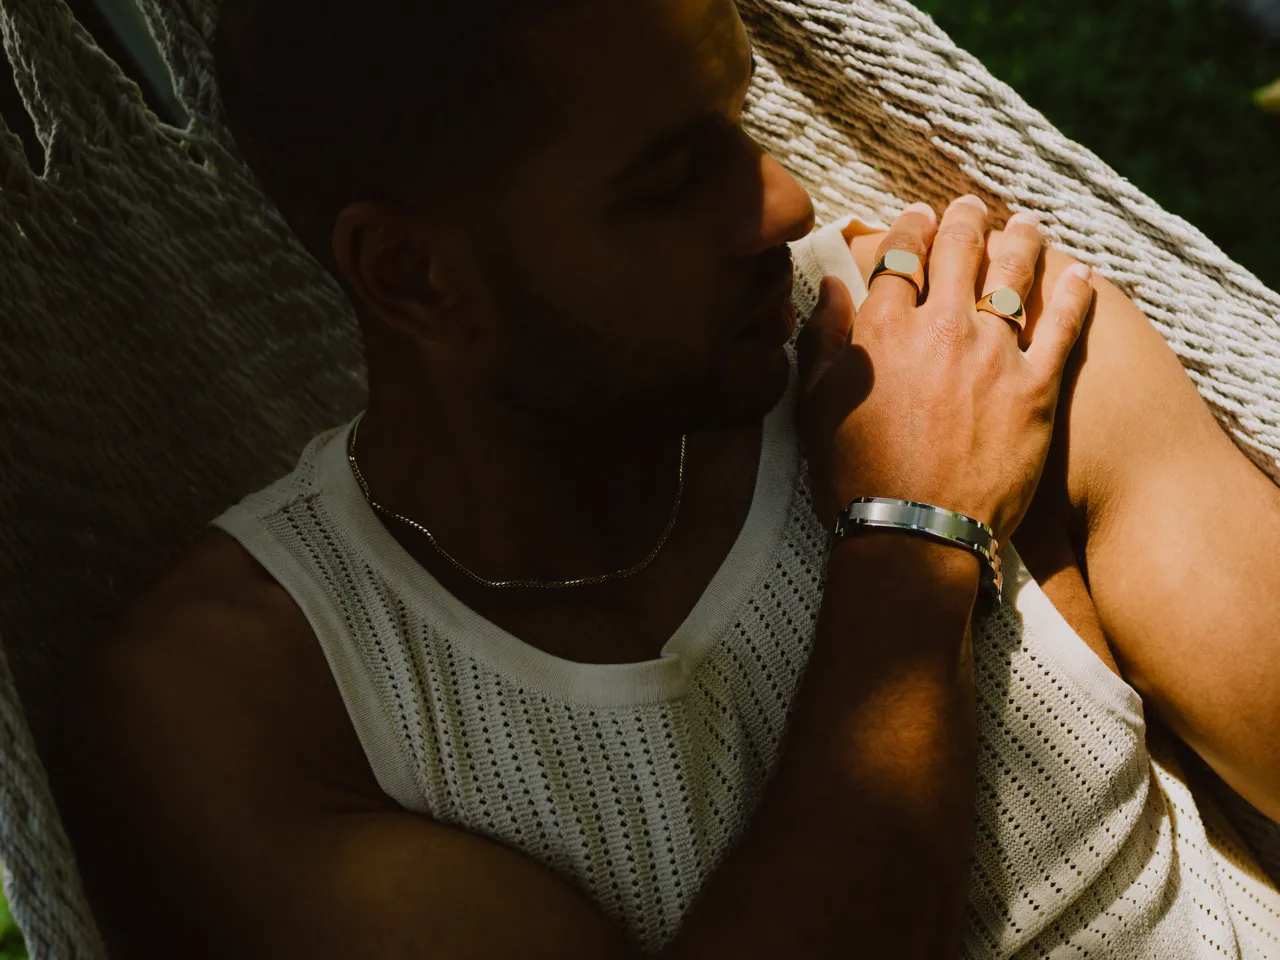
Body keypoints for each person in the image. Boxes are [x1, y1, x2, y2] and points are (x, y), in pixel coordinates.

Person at [45, 0, 1280, 957]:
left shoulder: (956, 343)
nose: (785, 203)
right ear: (414, 277)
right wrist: (911, 548)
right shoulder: (239, 710)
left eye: (739, 119)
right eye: (665, 179)